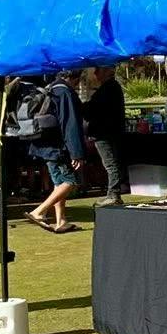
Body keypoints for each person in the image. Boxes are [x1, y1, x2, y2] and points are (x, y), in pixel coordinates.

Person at [27, 71, 87, 232]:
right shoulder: (65, 92)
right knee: (70, 182)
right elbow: (70, 124)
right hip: (57, 147)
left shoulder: (51, 87)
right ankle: (39, 211)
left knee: (59, 183)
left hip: (44, 145)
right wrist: (77, 153)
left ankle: (61, 220)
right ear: (74, 78)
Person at [80, 65, 128, 207]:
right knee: (111, 163)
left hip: (104, 133)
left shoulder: (108, 89)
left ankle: (113, 194)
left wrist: (83, 107)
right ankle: (113, 193)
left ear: (106, 71)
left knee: (110, 164)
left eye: (98, 70)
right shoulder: (110, 88)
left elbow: (93, 110)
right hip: (108, 131)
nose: (95, 73)